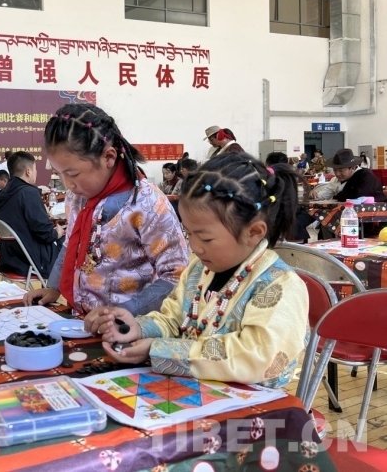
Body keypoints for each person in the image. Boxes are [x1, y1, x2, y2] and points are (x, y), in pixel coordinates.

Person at [87, 153, 308, 388]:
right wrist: (139, 327)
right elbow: (174, 318)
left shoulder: (279, 286)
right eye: (189, 233)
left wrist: (161, 350)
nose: (195, 246)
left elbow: (258, 356)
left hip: (251, 403)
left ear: (253, 232)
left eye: (205, 238)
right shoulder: (198, 270)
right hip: (192, 390)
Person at [24, 104, 188, 315]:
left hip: (129, 325)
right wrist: (53, 287)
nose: (68, 184)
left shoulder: (147, 203)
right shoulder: (77, 197)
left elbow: (175, 275)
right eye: (58, 173)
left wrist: (125, 313)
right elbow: (70, 244)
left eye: (73, 174)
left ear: (109, 157)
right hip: (83, 319)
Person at [0, 152, 64, 279]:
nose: (36, 172)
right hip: (32, 260)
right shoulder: (28, 193)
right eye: (35, 169)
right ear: (28, 171)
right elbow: (45, 233)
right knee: (70, 241)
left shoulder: (1, 195)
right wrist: (57, 233)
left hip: (8, 258)